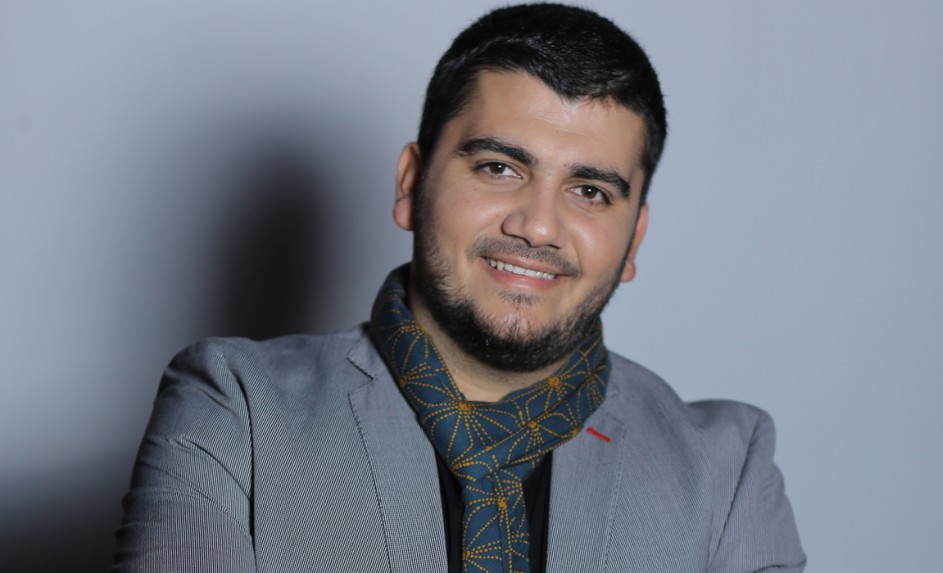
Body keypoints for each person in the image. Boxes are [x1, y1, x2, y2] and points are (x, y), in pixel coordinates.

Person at [113, 4, 805, 572]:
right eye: (500, 168)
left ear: (635, 238)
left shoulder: (726, 470)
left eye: (590, 191)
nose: (539, 226)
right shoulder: (234, 410)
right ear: (411, 184)